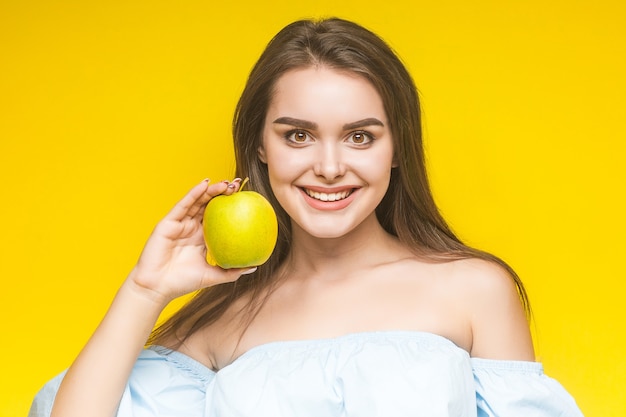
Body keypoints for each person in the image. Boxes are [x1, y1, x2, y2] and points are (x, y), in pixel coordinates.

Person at [30, 17, 584, 417]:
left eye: (360, 136)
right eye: (298, 134)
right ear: (262, 147)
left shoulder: (475, 290)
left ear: (397, 148)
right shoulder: (224, 318)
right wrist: (145, 288)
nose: (328, 166)